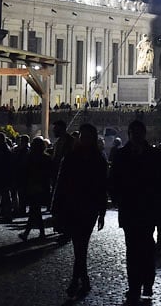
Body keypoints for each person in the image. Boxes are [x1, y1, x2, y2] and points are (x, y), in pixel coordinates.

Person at [110, 120, 161, 305]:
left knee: (147, 247)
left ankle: (147, 280)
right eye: (133, 133)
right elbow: (114, 180)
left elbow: (160, 181)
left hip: (147, 208)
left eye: (139, 132)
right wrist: (117, 197)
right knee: (132, 249)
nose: (136, 136)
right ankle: (134, 285)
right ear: (130, 134)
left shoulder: (154, 155)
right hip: (130, 208)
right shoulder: (121, 155)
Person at [52, 123, 108, 298]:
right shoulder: (72, 158)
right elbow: (61, 183)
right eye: (82, 136)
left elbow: (102, 187)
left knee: (81, 245)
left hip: (89, 207)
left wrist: (102, 211)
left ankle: (78, 281)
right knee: (80, 246)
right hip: (73, 206)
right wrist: (57, 205)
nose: (84, 139)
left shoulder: (98, 160)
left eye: (87, 137)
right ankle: (81, 280)